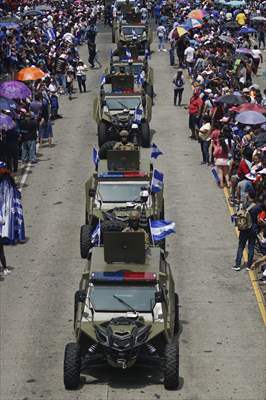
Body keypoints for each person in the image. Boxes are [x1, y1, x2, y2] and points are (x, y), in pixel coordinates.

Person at [233, 191, 262, 271]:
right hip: (253, 228)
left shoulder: (244, 205)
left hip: (244, 228)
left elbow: (238, 213)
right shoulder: (258, 207)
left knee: (241, 246)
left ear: (248, 196)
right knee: (251, 246)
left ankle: (237, 265)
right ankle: (249, 266)